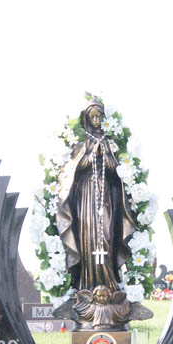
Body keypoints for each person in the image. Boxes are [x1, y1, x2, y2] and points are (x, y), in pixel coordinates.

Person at [55, 98, 138, 293]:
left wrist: (105, 157)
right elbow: (72, 170)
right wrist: (88, 158)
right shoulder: (82, 143)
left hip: (106, 194)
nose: (95, 119)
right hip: (85, 196)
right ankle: (87, 284)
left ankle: (109, 282)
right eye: (91, 116)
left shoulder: (110, 142)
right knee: (87, 235)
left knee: (107, 234)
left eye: (98, 116)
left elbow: (117, 170)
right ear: (86, 118)